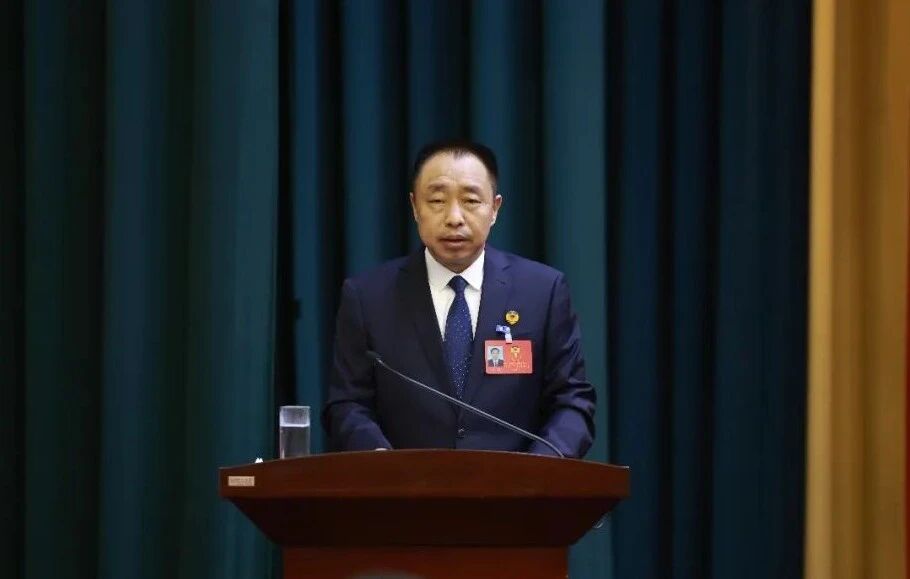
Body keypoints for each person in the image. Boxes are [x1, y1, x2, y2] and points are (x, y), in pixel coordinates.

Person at [322, 140, 595, 458]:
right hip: (406, 486)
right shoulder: (368, 297)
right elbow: (348, 404)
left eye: (470, 201)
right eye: (437, 201)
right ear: (415, 207)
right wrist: (382, 462)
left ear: (494, 209)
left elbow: (572, 401)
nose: (454, 218)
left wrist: (538, 470)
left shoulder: (542, 291)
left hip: (517, 487)